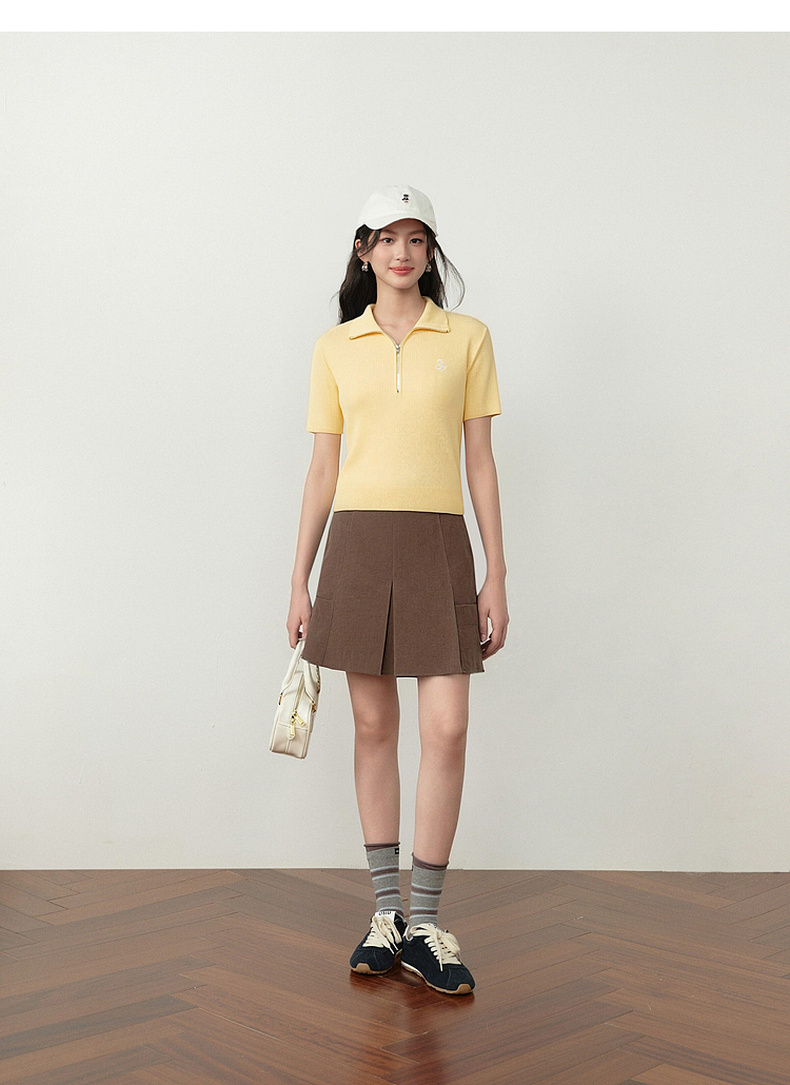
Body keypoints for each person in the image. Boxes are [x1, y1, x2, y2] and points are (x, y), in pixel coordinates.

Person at [287, 184, 508, 996]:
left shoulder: (468, 337)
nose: (402, 252)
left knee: (447, 727)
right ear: (364, 250)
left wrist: (496, 572)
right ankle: (387, 915)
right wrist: (299, 578)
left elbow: (479, 461)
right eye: (387, 238)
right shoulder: (334, 346)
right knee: (375, 726)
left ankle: (426, 924)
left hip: (439, 544)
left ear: (430, 251)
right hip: (357, 545)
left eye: (416, 238)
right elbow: (322, 469)